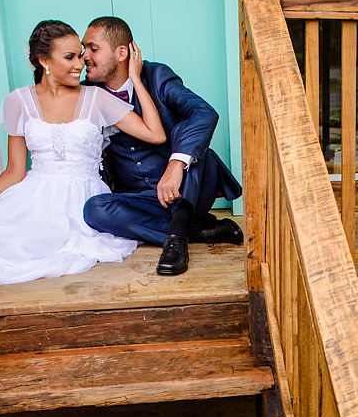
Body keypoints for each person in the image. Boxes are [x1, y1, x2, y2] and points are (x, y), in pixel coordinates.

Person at [0, 19, 167, 286]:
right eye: (70, 57)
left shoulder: (96, 98)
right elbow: (14, 171)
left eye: (80, 55)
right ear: (44, 61)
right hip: (34, 196)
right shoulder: (17, 101)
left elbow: (155, 134)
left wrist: (135, 79)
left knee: (61, 242)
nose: (80, 64)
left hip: (84, 200)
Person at [81, 16, 243, 276]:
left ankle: (176, 242)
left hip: (185, 187)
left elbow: (204, 112)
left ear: (122, 52)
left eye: (93, 48)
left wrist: (176, 164)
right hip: (139, 199)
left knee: (198, 150)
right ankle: (197, 232)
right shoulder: (86, 93)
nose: (84, 56)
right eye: (83, 49)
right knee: (94, 209)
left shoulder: (157, 76)